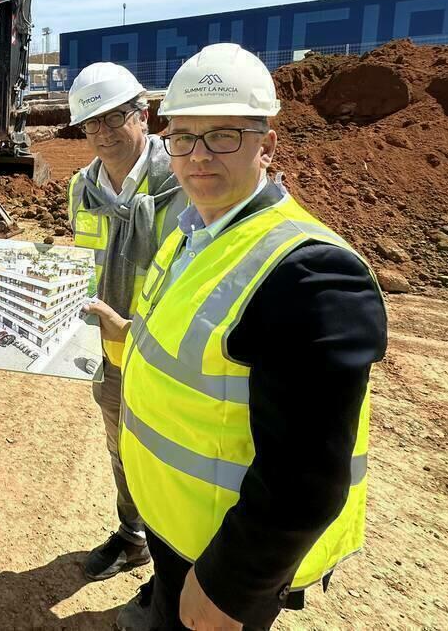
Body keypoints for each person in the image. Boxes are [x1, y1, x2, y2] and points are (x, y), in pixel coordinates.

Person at [107, 43, 387, 630]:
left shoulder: (310, 273)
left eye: (223, 136)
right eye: (182, 137)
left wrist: (231, 586)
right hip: (176, 528)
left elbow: (306, 475)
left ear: (268, 143)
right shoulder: (193, 232)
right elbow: (199, 353)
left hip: (222, 551)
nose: (197, 156)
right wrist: (123, 339)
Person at [65, 63, 187, 581]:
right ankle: (134, 536)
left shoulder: (182, 178)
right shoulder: (81, 189)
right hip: (109, 354)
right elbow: (79, 265)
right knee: (122, 450)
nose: (103, 133)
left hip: (171, 352)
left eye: (115, 117)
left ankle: (175, 564)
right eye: (91, 123)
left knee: (174, 458)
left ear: (143, 113)